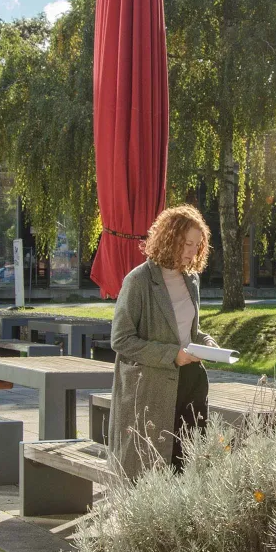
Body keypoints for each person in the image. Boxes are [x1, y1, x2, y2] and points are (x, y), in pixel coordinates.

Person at [108, 205, 219, 479]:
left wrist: (207, 342)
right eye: (186, 243)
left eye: (197, 244)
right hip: (152, 387)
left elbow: (187, 331)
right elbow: (121, 339)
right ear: (169, 239)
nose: (192, 251)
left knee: (189, 462)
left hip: (192, 381)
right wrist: (172, 354)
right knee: (152, 467)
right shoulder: (138, 281)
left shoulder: (191, 280)